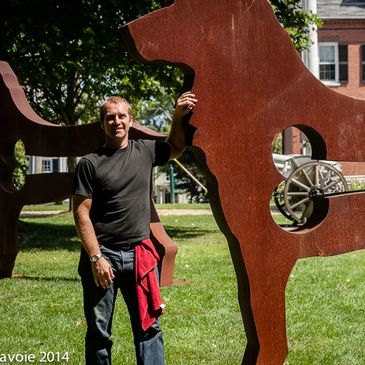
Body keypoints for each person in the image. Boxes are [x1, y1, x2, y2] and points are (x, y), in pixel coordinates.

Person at [72, 91, 197, 365]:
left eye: (121, 116)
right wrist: (96, 258)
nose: (116, 121)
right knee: (98, 332)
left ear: (130, 120)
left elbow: (176, 147)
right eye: (110, 117)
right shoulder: (90, 163)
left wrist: (177, 116)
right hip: (103, 257)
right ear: (101, 124)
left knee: (149, 327)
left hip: (140, 255)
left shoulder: (145, 151)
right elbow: (81, 213)